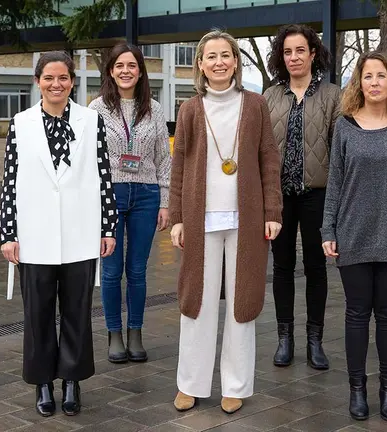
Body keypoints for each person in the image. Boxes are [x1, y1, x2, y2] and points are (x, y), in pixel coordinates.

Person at [169, 29, 282, 415]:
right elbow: (179, 164)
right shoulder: (189, 110)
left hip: (246, 222)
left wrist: (272, 212)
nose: (219, 62)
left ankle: (235, 385)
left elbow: (268, 158)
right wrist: (179, 218)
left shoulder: (254, 105)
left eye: (225, 55)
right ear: (200, 64)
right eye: (210, 56)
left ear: (236, 61)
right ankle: (191, 384)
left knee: (241, 302)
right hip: (201, 223)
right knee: (196, 304)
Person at [0, 51, 117, 417]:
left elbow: (102, 172)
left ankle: (71, 380)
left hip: (81, 231)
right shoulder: (20, 123)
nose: (56, 84)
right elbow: (10, 180)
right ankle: (43, 383)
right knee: (38, 313)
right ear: (38, 81)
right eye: (49, 78)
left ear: (72, 81)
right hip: (34, 234)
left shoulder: (91, 120)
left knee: (77, 311)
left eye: (63, 77)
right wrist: (8, 232)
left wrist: (107, 226)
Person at [320, 51, 387, 422]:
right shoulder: (345, 127)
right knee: (355, 314)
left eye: (381, 76)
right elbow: (334, 182)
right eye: (367, 76)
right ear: (359, 83)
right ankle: (357, 390)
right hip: (352, 234)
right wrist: (328, 229)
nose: (374, 82)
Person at [263, 23, 341, 370]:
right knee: (281, 266)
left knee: (315, 268)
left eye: (300, 50)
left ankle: (315, 340)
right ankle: (285, 338)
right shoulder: (269, 97)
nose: (294, 57)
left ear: (313, 54)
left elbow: (339, 152)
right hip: (278, 196)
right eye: (287, 52)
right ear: (282, 58)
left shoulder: (333, 96)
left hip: (317, 195)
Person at [89, 43, 171, 364]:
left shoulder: (153, 108)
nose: (126, 71)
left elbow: (164, 158)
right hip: (110, 194)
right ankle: (114, 334)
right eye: (120, 65)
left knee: (137, 270)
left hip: (146, 195)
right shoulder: (96, 109)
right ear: (111, 70)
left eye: (132, 65)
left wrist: (165, 202)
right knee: (111, 271)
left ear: (140, 71)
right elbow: (89, 160)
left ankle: (135, 332)